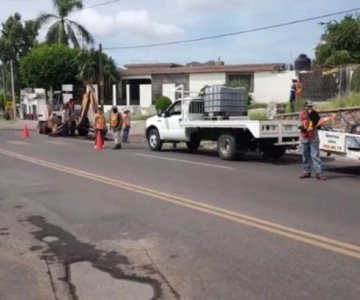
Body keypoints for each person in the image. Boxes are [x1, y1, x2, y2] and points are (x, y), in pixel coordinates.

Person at [299, 101, 326, 181]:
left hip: (313, 137)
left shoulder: (315, 114)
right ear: (305, 107)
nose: (310, 108)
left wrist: (319, 125)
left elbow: (319, 125)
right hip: (304, 137)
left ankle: (319, 173)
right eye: (308, 106)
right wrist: (304, 128)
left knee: (315, 156)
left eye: (311, 106)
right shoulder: (302, 114)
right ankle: (306, 171)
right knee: (305, 155)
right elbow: (298, 124)